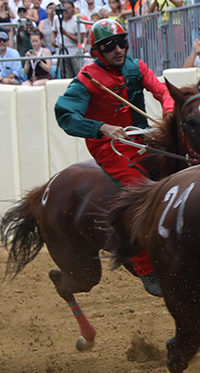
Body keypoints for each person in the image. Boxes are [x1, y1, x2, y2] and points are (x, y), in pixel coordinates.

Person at [54, 18, 175, 291]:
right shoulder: (86, 78)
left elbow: (162, 91)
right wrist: (101, 127)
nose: (118, 50)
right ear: (97, 52)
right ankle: (144, 265)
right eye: (110, 46)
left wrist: (168, 110)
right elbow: (65, 115)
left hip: (142, 139)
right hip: (109, 148)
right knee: (139, 191)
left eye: (122, 42)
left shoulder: (137, 67)